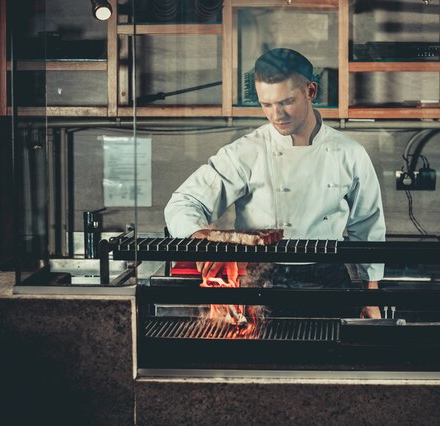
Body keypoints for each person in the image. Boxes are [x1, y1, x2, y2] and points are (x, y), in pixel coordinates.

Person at [164, 48, 385, 318]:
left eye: (286, 101)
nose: (276, 115)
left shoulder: (350, 153)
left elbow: (368, 227)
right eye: (266, 105)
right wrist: (201, 238)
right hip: (261, 282)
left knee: (330, 358)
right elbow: (184, 202)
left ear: (311, 91)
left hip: (328, 282)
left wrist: (370, 296)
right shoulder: (247, 151)